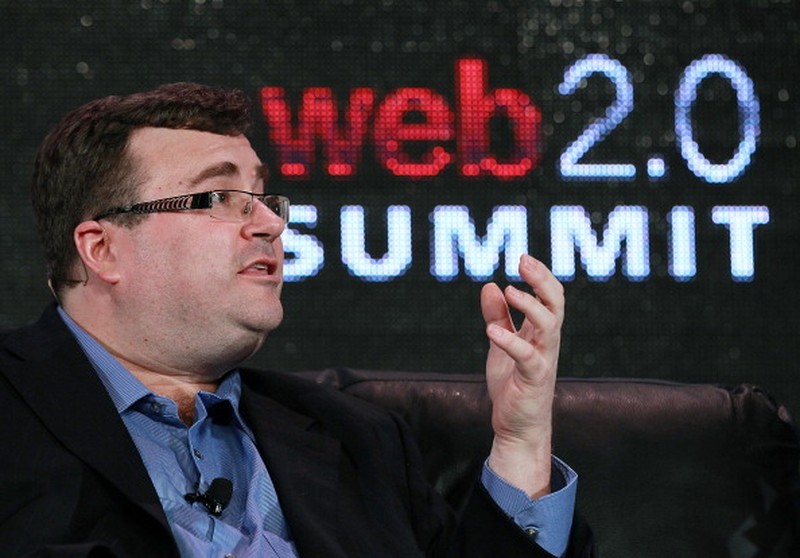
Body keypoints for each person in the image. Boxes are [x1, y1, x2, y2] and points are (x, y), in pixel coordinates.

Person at [0, 83, 593, 557]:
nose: (270, 225)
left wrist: (522, 441)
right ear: (101, 249)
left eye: (262, 198)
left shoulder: (359, 440)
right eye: (218, 199)